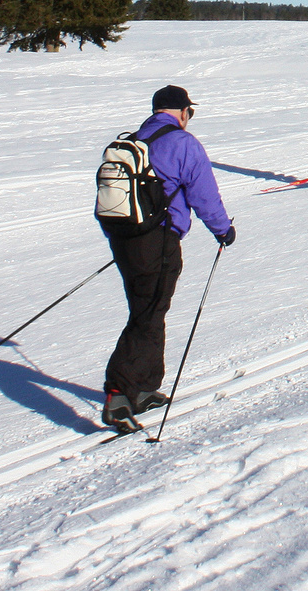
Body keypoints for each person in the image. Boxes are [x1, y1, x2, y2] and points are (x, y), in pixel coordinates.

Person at [102, 85, 234, 431]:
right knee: (148, 312)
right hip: (158, 241)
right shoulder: (183, 143)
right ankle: (119, 391)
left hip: (125, 238)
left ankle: (145, 387)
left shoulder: (133, 142)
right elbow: (204, 194)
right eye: (189, 112)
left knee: (150, 307)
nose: (189, 118)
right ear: (181, 112)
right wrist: (223, 230)